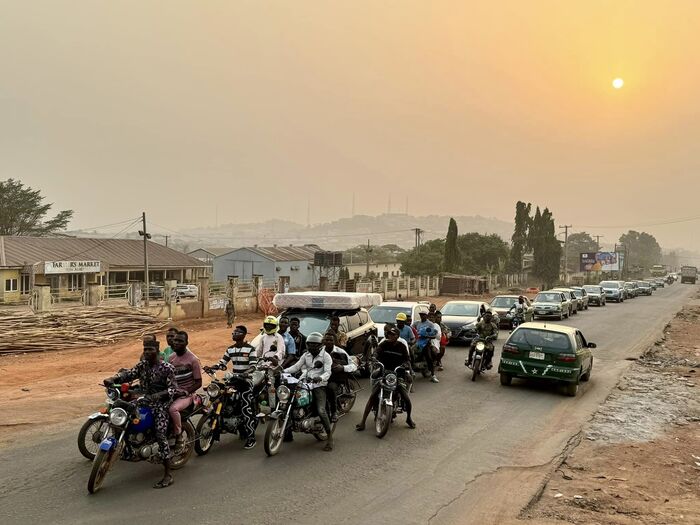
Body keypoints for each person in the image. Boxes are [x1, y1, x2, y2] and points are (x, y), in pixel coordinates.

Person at [103, 339, 177, 489]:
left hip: (160, 405)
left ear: (157, 350)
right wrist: (113, 378)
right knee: (121, 415)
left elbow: (172, 389)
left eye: (150, 349)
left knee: (160, 434)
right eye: (145, 349)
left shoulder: (167, 367)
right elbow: (129, 374)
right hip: (142, 401)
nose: (147, 352)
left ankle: (168, 474)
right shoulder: (142, 365)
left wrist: (158, 395)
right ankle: (127, 448)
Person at [205, 325, 258, 449]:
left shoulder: (250, 349)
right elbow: (222, 364)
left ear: (244, 335)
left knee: (246, 409)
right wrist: (212, 367)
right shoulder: (230, 349)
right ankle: (217, 428)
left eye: (237, 332)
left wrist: (246, 372)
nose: (234, 333)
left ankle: (251, 438)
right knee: (219, 400)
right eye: (234, 332)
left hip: (246, 381)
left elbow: (254, 365)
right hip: (234, 380)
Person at [355, 327, 414, 431]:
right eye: (389, 334)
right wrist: (374, 357)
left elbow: (407, 359)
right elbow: (377, 352)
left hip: (397, 374)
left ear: (397, 336)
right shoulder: (384, 344)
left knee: (406, 398)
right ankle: (362, 422)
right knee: (373, 396)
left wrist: (406, 368)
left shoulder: (402, 346)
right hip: (384, 372)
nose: (391, 336)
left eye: (393, 334)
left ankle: (409, 418)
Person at [283, 332, 334, 451]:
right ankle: (287, 432)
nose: (311, 347)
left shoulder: (326, 356)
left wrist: (320, 378)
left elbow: (328, 372)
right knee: (289, 402)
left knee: (321, 410)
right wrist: (282, 370)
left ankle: (330, 438)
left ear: (320, 346)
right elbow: (296, 367)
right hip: (304, 383)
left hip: (318, 385)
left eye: (314, 345)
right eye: (310, 344)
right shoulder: (306, 355)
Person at [167, 331, 202, 449]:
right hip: (172, 392)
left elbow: (199, 382)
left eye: (180, 341)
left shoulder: (193, 360)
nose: (176, 343)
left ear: (186, 343)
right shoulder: (171, 358)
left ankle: (178, 436)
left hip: (187, 395)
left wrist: (186, 391)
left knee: (173, 409)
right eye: (175, 340)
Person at [324, 332, 358, 423]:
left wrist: (342, 367)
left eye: (330, 340)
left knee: (330, 388)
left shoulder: (340, 352)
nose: (328, 342)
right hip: (320, 377)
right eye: (326, 340)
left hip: (334, 378)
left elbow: (354, 365)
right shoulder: (320, 351)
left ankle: (334, 411)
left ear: (334, 341)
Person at [411, 309, 440, 383]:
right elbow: (411, 329)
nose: (422, 316)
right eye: (421, 315)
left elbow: (434, 336)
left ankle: (433, 375)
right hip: (417, 343)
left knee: (429, 358)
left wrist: (425, 336)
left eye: (423, 315)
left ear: (426, 316)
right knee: (410, 356)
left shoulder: (430, 324)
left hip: (426, 343)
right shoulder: (417, 323)